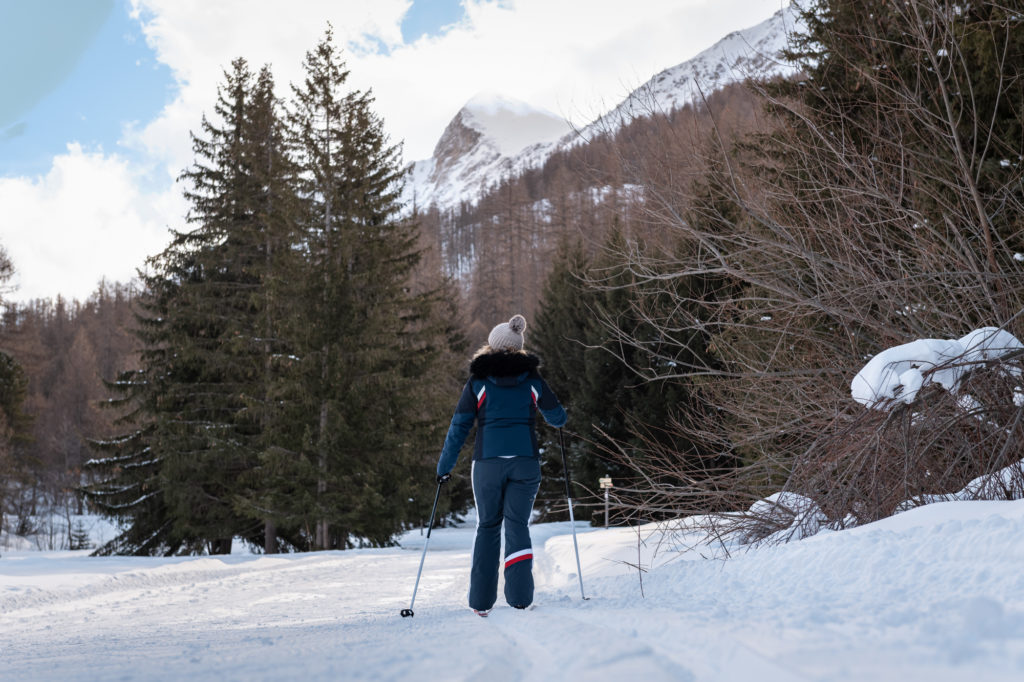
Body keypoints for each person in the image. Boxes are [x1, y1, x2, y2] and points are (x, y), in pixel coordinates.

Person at [436, 314, 567, 616]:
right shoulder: (532, 380)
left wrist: (444, 466)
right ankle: (520, 599)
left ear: (491, 346)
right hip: (525, 463)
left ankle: (481, 603)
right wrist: (552, 414)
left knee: (488, 526)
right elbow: (558, 417)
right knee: (517, 525)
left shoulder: (478, 382)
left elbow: (459, 427)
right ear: (518, 348)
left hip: (488, 465)